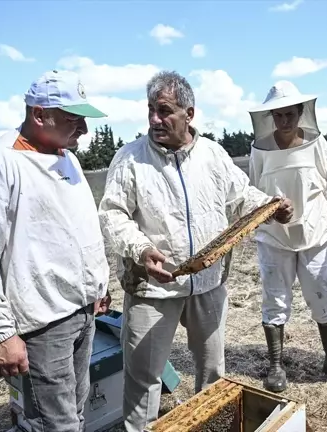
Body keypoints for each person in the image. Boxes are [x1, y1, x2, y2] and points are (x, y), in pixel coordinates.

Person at [97, 70, 294, 432]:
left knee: (213, 372)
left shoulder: (213, 154)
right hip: (152, 289)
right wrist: (141, 250)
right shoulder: (130, 159)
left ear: (189, 113)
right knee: (143, 379)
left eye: (165, 110)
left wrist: (270, 206)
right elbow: (112, 215)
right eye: (151, 110)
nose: (156, 119)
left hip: (208, 282)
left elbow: (242, 196)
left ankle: (213, 426)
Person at [0, 70, 112, 431]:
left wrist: (99, 285)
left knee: (75, 413)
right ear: (38, 115)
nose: (83, 129)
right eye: (72, 119)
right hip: (43, 323)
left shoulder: (68, 157)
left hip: (82, 312)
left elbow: (78, 231)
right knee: (56, 424)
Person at [247, 81, 327, 392]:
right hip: (273, 237)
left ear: (300, 113)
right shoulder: (259, 150)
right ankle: (275, 365)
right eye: (279, 116)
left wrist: (313, 218)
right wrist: (272, 212)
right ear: (270, 116)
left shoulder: (317, 144)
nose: (285, 121)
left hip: (315, 234)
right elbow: (254, 191)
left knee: (322, 295)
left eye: (290, 115)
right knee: (275, 298)